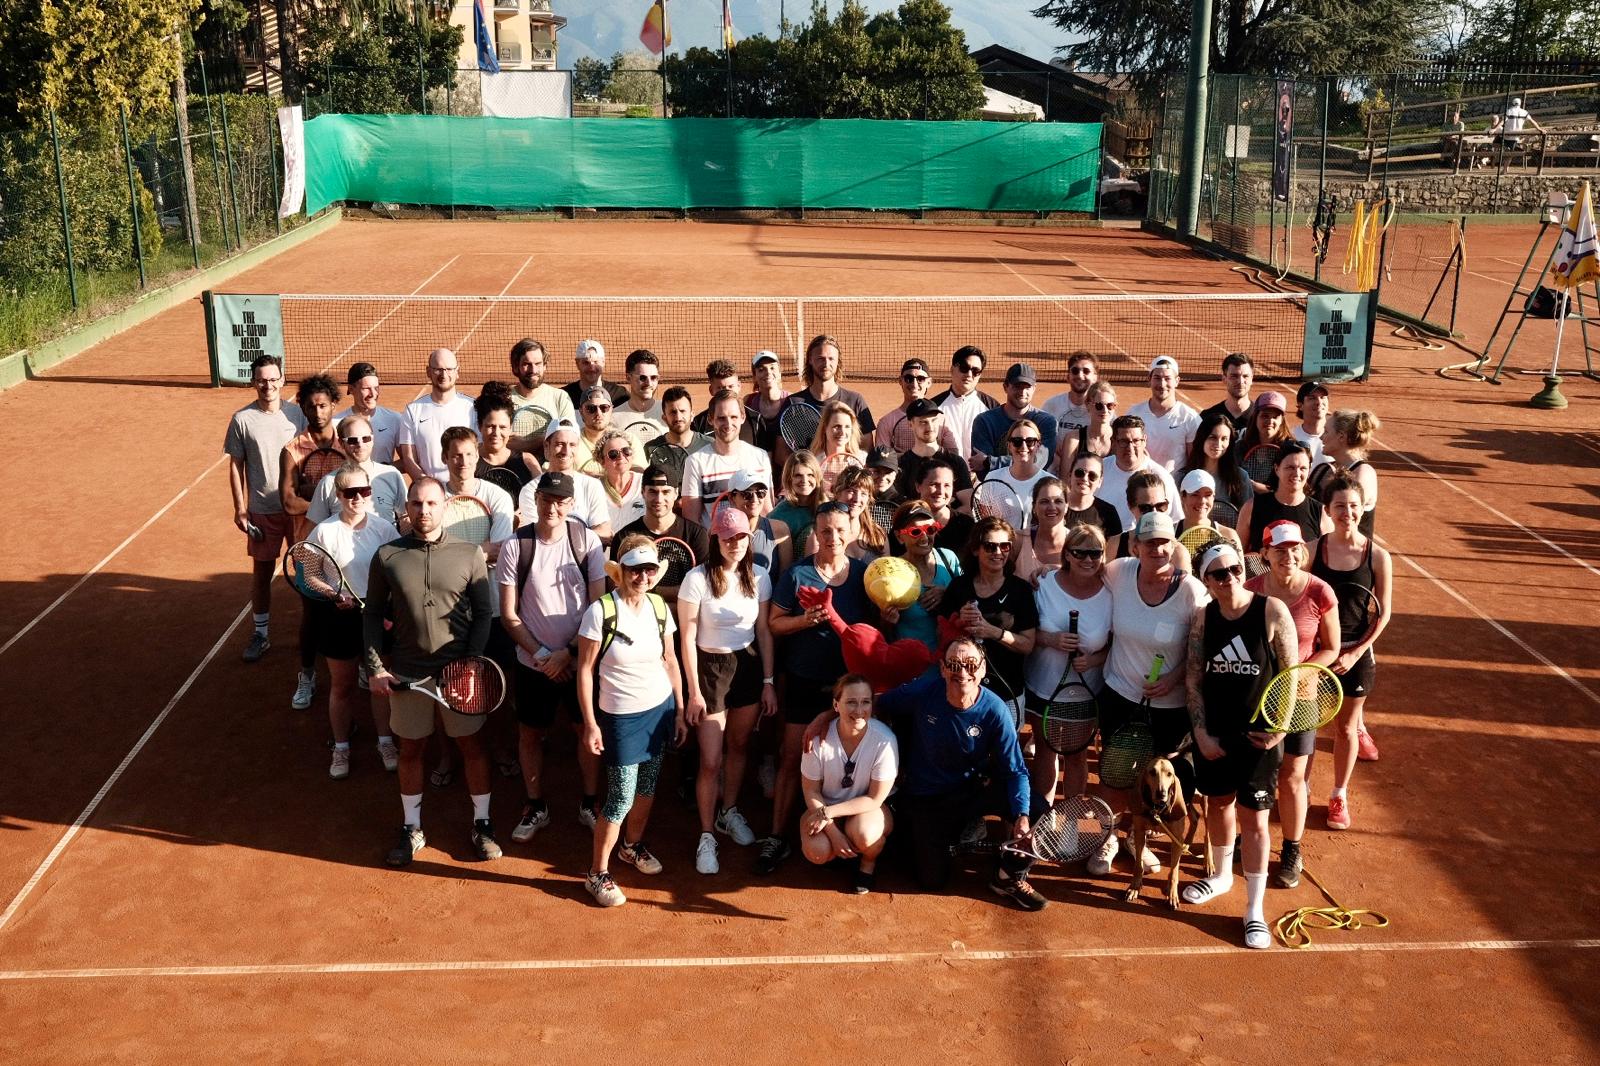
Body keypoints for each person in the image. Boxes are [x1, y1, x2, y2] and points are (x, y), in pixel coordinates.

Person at [367, 478, 498, 868]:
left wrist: (472, 662)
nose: (423, 511)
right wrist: (376, 666)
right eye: (416, 503)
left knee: (471, 748)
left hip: (458, 673)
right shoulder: (387, 556)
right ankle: (412, 828)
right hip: (408, 673)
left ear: (445, 507)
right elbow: (372, 613)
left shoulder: (469, 553)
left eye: (431, 503)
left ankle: (483, 824)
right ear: (406, 507)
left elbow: (485, 613)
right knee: (411, 750)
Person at [1182, 541, 1299, 950]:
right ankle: (1219, 876)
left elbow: (1291, 674)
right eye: (1219, 573)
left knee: (1256, 821)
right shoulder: (1203, 618)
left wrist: (1280, 730)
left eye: (1235, 569)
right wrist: (1201, 734)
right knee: (1218, 803)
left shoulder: (1271, 611)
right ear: (1207, 581)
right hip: (1214, 733)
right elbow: (1194, 677)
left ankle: (1254, 909)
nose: (1230, 578)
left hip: (1259, 737)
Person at [876, 638, 1045, 910]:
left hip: (971, 790)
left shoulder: (995, 709)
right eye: (954, 664)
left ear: (982, 670)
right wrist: (826, 718)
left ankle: (1007, 875)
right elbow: (879, 702)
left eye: (970, 665)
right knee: (931, 880)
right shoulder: (923, 692)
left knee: (1037, 809)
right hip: (926, 797)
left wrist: (1022, 815)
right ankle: (944, 838)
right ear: (942, 668)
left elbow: (1015, 771)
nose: (962, 672)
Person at [1089, 511, 1207, 877]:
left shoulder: (1190, 590)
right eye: (1150, 542)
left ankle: (1136, 839)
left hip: (1169, 708)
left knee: (1158, 784)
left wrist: (1173, 677)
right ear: (1136, 545)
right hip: (1121, 695)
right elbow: (1078, 573)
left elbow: (1205, 646)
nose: (1158, 549)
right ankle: (1109, 837)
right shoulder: (1119, 572)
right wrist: (1041, 573)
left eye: (1164, 542)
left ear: (1173, 545)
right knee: (1116, 775)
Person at [765, 502, 877, 874]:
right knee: (792, 756)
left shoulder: (864, 575)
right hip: (804, 680)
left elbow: (876, 632)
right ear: (816, 531)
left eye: (840, 529)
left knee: (849, 760)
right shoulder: (797, 573)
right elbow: (774, 623)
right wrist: (805, 621)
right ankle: (777, 836)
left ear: (852, 530)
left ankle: (849, 831)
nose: (833, 537)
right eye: (825, 530)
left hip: (851, 689)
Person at [575, 535, 686, 907]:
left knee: (649, 787)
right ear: (620, 572)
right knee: (621, 797)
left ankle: (631, 847)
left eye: (649, 569)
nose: (642, 576)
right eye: (635, 569)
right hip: (620, 717)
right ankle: (597, 873)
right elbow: (586, 670)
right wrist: (591, 722)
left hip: (659, 710)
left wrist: (681, 709)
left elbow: (671, 660)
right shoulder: (601, 611)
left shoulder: (658, 607)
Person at [497, 470, 608, 842]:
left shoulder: (588, 542)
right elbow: (510, 616)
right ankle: (535, 805)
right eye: (546, 499)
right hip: (534, 664)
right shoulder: (517, 545)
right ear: (537, 501)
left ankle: (590, 802)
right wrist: (546, 655)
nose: (552, 507)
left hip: (579, 663)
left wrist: (569, 654)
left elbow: (598, 607)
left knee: (584, 730)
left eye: (560, 501)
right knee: (530, 734)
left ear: (571, 505)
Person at [678, 507, 777, 875]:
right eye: (727, 537)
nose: (734, 543)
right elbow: (686, 637)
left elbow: (765, 633)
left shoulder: (761, 577)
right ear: (715, 539)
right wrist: (693, 691)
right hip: (709, 670)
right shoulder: (696, 579)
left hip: (748, 668)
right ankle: (707, 834)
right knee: (710, 760)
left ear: (749, 538)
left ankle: (728, 812)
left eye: (740, 537)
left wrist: (768, 682)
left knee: (738, 747)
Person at [1245, 520, 1339, 890]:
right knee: (1254, 773)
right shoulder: (1250, 591)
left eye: (1295, 549)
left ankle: (1291, 850)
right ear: (1265, 553)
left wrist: (1304, 671)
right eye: (1280, 550)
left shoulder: (1319, 592)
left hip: (1301, 698)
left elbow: (1331, 646)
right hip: (1258, 698)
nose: (1289, 556)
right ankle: (1249, 838)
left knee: (1293, 776)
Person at [1310, 474, 1394, 826]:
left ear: (1364, 509)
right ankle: (1298, 785)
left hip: (1355, 652)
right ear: (1328, 510)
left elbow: (1384, 613)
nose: (1347, 512)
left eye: (1354, 506)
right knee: (1307, 728)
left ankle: (1338, 795)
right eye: (1340, 506)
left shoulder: (1378, 556)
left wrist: (1356, 653)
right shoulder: (1313, 549)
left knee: (1346, 728)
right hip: (1316, 653)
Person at [307, 463, 400, 779]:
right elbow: (310, 573)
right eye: (350, 492)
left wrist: (385, 603)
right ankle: (341, 747)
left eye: (364, 491)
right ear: (338, 495)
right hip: (339, 618)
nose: (358, 498)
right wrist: (334, 595)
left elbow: (396, 572)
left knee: (381, 684)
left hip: (376, 616)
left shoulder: (384, 529)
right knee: (342, 686)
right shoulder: (324, 531)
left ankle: (385, 742)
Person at [225, 355, 307, 663]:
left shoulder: (298, 415)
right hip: (262, 510)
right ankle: (260, 633)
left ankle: (311, 629)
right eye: (261, 379)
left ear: (282, 380)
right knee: (261, 573)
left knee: (306, 572)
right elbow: (236, 467)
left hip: (297, 510)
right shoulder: (242, 420)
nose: (268, 385)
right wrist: (240, 508)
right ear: (253, 382)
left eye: (273, 379)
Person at [1025, 522, 1112, 802]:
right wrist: (1051, 639)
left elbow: (1119, 645)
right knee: (1046, 751)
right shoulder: (1044, 584)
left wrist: (1095, 660)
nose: (1088, 559)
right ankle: (1044, 820)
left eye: (1095, 553)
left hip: (1087, 691)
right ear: (1067, 555)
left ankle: (1071, 825)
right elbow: (1024, 632)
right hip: (1043, 687)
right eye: (1080, 552)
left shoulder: (1112, 593)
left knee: (1076, 756)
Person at [278, 374, 347, 711]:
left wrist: (312, 495)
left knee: (351, 608)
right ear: (303, 408)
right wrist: (333, 505)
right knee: (312, 615)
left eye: (323, 405)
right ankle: (307, 675)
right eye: (310, 406)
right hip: (307, 547)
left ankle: (360, 667)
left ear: (334, 405)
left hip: (348, 544)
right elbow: (289, 502)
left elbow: (360, 491)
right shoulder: (292, 450)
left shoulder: (348, 443)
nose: (317, 411)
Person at [799, 674, 898, 893]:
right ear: (836, 704)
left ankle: (867, 864)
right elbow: (811, 789)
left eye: (865, 702)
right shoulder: (816, 739)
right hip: (824, 805)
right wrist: (833, 832)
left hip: (867, 809)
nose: (859, 710)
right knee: (817, 852)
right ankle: (839, 851)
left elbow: (875, 798)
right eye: (851, 702)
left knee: (866, 834)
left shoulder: (885, 740)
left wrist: (827, 814)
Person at [934, 516, 1038, 722]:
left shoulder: (1021, 590)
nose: (998, 552)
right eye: (990, 546)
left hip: (1007, 691)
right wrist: (958, 623)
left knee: (1004, 753)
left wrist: (993, 632)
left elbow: (1028, 645)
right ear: (975, 550)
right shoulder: (959, 587)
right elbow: (940, 637)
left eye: (1005, 546)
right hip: (963, 689)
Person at [609, 464, 711, 605]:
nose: (659, 499)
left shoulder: (696, 534)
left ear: (676, 493)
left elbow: (703, 589)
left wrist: (650, 589)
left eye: (665, 492)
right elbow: (618, 589)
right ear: (642, 492)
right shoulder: (624, 537)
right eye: (652, 491)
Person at [776, 334, 877, 463]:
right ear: (810, 360)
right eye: (820, 358)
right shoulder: (793, 404)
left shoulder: (855, 401)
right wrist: (807, 469)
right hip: (809, 480)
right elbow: (780, 453)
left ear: (837, 362)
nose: (826, 363)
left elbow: (866, 448)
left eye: (831, 359)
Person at [680, 390, 773, 525]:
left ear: (742, 417)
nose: (728, 424)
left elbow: (766, 511)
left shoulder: (760, 457)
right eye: (721, 418)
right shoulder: (695, 462)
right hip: (714, 544)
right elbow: (691, 522)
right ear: (711, 419)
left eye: (733, 417)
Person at [518, 420, 612, 542]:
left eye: (572, 445)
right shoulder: (530, 490)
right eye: (560, 444)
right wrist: (588, 537)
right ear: (547, 447)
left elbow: (604, 532)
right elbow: (539, 537)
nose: (566, 451)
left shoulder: (592, 485)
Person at [307, 413, 408, 528]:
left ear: (373, 439)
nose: (360, 444)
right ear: (341, 443)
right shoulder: (328, 483)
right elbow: (313, 529)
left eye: (366, 438)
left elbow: (405, 518)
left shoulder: (392, 475)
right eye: (352, 440)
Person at [885, 501, 961, 650]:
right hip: (912, 665)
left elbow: (967, 601)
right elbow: (883, 630)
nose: (925, 537)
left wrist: (947, 594)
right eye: (915, 532)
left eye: (930, 529)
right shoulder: (891, 572)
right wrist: (887, 620)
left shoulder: (948, 558)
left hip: (950, 663)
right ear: (899, 537)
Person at [1237, 439, 1332, 553]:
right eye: (1290, 467)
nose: (1297, 474)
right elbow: (1238, 554)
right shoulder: (1252, 507)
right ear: (1277, 469)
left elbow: (1328, 557)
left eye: (1303, 468)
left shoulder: (1320, 512)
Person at [395, 348, 476, 482]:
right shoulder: (412, 411)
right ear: (428, 372)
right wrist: (429, 487)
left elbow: (480, 452)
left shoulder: (473, 407)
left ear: (457, 372)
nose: (444, 375)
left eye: (449, 369)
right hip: (429, 494)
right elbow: (409, 459)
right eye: (438, 369)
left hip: (465, 490)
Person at [970, 363, 1058, 472]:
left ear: (1034, 388)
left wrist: (989, 462)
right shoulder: (984, 421)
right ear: (1005, 387)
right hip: (995, 486)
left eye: (1027, 387)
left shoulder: (1046, 422)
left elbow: (1038, 462)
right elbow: (981, 469)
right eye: (1017, 386)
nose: (1022, 392)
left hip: (1034, 488)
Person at [1097, 415, 1179, 530]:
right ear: (1113, 442)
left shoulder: (1162, 477)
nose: (1130, 447)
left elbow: (1173, 522)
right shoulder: (1097, 470)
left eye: (1136, 441)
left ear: (1144, 441)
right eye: (1124, 441)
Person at [1127, 356, 1200, 474]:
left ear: (1177, 381)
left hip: (1174, 487)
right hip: (1138, 485)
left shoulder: (1190, 418)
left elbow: (1195, 461)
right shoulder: (1134, 413)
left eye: (1167, 378)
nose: (1162, 384)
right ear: (1149, 379)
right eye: (1157, 378)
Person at [892, 398, 972, 505]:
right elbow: (898, 507)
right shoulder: (900, 464)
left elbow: (967, 508)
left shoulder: (956, 462)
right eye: (923, 422)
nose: (930, 427)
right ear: (910, 424)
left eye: (934, 421)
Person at [1180, 411, 1252, 529]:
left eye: (1224, 439)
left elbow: (1248, 520)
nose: (1218, 444)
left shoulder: (1240, 477)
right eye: (1212, 437)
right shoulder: (1182, 477)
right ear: (1202, 439)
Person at [932, 345, 999, 470]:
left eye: (975, 371)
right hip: (945, 480)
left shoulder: (993, 407)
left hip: (982, 479)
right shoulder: (933, 407)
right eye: (964, 368)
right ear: (952, 369)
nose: (969, 374)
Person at [506, 338, 576, 457]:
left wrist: (524, 444)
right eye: (526, 364)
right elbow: (499, 443)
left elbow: (567, 436)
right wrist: (548, 437)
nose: (533, 370)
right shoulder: (504, 399)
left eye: (538, 364)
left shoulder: (560, 397)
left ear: (545, 366)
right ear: (515, 367)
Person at [1319, 408, 1381, 540]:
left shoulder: (1363, 473)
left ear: (1341, 436)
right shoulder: (1326, 470)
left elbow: (1347, 518)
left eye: (1326, 431)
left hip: (1355, 556)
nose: (1321, 437)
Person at [876, 358, 958, 453]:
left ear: (929, 382)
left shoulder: (941, 419)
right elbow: (882, 459)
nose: (914, 384)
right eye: (908, 379)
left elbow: (953, 455)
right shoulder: (887, 422)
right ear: (900, 381)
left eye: (920, 379)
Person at [984, 418, 1051, 531]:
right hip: (1001, 545)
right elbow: (985, 522)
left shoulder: (1050, 483)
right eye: (1017, 441)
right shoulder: (992, 478)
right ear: (1009, 446)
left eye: (1030, 441)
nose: (1023, 447)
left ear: (1038, 445)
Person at [473, 382, 540, 492]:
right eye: (491, 426)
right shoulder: (468, 460)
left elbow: (540, 499)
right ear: (480, 426)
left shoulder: (527, 461)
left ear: (510, 428)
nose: (496, 433)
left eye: (503, 427)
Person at [725, 469, 790, 577]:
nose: (754, 499)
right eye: (747, 494)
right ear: (731, 497)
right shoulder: (718, 532)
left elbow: (785, 577)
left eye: (760, 493)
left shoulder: (780, 529)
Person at [335, 362, 401, 464]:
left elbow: (407, 460)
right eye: (366, 389)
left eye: (376, 388)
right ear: (351, 389)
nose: (373, 394)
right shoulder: (336, 423)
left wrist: (381, 471)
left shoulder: (395, 419)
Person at [824, 464, 888, 562]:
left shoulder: (878, 535)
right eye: (851, 491)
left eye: (863, 493)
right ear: (837, 493)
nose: (857, 499)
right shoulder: (822, 534)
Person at [914, 455, 975, 556]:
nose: (941, 491)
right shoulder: (905, 524)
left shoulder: (967, 526)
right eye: (934, 484)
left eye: (947, 485)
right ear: (918, 486)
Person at [1053, 381, 1117, 477]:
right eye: (1099, 406)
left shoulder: (1120, 438)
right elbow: (1065, 480)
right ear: (1088, 405)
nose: (1105, 410)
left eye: (1110, 405)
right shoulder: (1073, 439)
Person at [1014, 476, 1070, 584]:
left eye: (1058, 501)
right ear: (1034, 507)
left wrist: (1057, 569)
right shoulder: (1018, 540)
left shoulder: (1079, 542)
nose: (1052, 507)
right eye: (1044, 502)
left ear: (1066, 507)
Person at [615, 349, 667, 465]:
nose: (649, 383)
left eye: (654, 378)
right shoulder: (613, 417)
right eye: (642, 378)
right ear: (628, 378)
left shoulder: (670, 412)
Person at [770, 449, 823, 557]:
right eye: (798, 475)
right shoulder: (778, 515)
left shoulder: (828, 507)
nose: (804, 480)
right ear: (789, 479)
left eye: (810, 475)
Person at [1176, 469, 1243, 553]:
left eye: (1208, 495)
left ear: (1213, 497)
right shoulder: (1169, 532)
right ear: (1183, 497)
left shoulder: (1229, 535)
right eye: (1195, 495)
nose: (1202, 501)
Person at [1238, 391, 1292, 492]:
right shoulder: (1240, 447)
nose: (1270, 421)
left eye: (1275, 417)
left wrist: (1266, 490)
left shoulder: (1291, 450)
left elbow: (1294, 487)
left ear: (1281, 421)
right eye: (1265, 416)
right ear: (1256, 418)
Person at [1061, 452, 1122, 541]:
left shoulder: (1108, 513)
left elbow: (1111, 552)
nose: (1085, 478)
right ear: (1070, 475)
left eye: (1092, 476)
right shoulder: (1055, 507)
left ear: (1100, 482)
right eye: (1079, 472)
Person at [595, 429, 645, 532]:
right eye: (613, 454)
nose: (621, 457)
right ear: (601, 461)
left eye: (626, 451)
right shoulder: (594, 488)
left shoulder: (644, 483)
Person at [1040, 350, 1099, 436]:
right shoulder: (1051, 405)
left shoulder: (1103, 409)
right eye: (1075, 371)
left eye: (1086, 371)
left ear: (1095, 378)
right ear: (1068, 376)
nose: (1080, 375)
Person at [563, 338, 629, 410]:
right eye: (586, 363)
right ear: (577, 363)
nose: (592, 368)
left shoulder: (620, 395)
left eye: (596, 362)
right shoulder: (564, 396)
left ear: (603, 362)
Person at [1199, 352, 1254, 437]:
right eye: (1234, 376)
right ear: (1224, 379)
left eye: (1245, 376)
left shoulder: (1261, 417)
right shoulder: (1208, 417)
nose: (1240, 381)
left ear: (1251, 379)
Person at [809, 400, 870, 472]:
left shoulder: (863, 460)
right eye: (837, 426)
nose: (842, 432)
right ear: (824, 428)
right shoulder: (812, 462)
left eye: (847, 426)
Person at [746, 350, 788, 453]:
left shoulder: (791, 401)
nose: (768, 372)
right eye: (761, 369)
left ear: (779, 373)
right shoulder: (748, 402)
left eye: (772, 368)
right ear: (754, 377)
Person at [573, 384, 615, 475]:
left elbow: (639, 473)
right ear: (581, 411)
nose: (598, 413)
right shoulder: (570, 442)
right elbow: (549, 470)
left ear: (611, 409)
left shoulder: (627, 440)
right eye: (591, 408)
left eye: (604, 408)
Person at [1291, 380, 1329, 468]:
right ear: (1300, 406)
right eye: (1312, 398)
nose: (1319, 402)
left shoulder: (1339, 437)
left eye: (1323, 397)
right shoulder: (1291, 437)